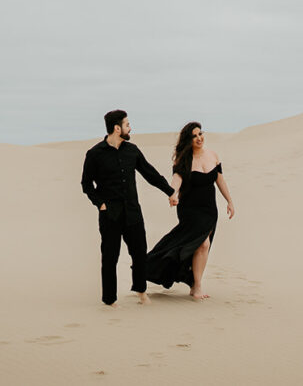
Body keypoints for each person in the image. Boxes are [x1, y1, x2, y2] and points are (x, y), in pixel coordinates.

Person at [81, 109, 175, 307]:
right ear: (117, 128)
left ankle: (141, 292)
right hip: (110, 216)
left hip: (133, 213)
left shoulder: (132, 150)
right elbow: (86, 184)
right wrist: (100, 204)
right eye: (127, 124)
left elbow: (150, 173)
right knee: (110, 257)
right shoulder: (95, 154)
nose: (130, 127)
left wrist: (170, 191)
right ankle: (109, 300)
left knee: (139, 253)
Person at [146, 122, 235, 299]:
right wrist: (172, 194)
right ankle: (197, 286)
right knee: (203, 243)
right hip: (190, 210)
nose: (199, 138)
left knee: (203, 246)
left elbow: (220, 181)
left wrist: (229, 201)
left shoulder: (213, 156)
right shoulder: (183, 160)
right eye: (194, 136)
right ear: (189, 140)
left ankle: (195, 285)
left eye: (200, 134)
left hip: (209, 209)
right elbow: (176, 180)